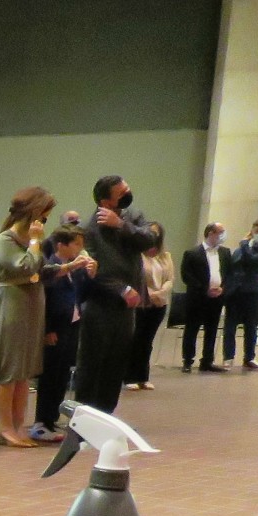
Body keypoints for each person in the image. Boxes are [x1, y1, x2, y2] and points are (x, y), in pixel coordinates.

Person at [73, 174, 157, 414]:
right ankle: (85, 417)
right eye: (121, 194)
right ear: (105, 201)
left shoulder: (132, 217)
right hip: (100, 306)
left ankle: (106, 415)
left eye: (127, 189)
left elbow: (150, 240)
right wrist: (121, 288)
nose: (128, 195)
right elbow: (93, 267)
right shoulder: (89, 230)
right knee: (92, 364)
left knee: (117, 364)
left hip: (126, 309)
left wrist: (121, 225)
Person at [0, 186, 54, 448]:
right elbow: (26, 265)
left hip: (31, 310)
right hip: (10, 309)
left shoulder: (32, 240)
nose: (45, 220)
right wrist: (36, 241)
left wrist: (70, 266)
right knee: (9, 372)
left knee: (24, 373)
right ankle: (5, 427)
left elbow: (40, 268)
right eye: (43, 214)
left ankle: (19, 425)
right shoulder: (5, 240)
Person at [34, 227, 95, 442]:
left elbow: (83, 294)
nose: (80, 249)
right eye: (76, 244)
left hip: (72, 325)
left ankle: (52, 417)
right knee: (50, 375)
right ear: (62, 245)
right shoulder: (51, 267)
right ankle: (41, 421)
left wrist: (90, 274)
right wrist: (47, 329)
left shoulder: (75, 269)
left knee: (62, 375)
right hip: (56, 327)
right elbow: (45, 300)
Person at [179, 223, 232, 374]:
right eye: (220, 232)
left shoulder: (225, 253)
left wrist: (223, 288)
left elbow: (229, 274)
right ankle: (188, 360)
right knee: (192, 329)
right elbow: (186, 275)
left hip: (217, 297)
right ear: (210, 233)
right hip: (197, 298)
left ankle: (207, 361)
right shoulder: (192, 253)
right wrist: (205, 289)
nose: (223, 235)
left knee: (212, 329)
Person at [225, 217, 258, 369]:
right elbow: (233, 264)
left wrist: (243, 244)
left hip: (253, 291)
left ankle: (249, 357)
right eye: (257, 231)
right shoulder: (243, 247)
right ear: (252, 231)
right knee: (230, 325)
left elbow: (255, 261)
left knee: (251, 325)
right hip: (235, 291)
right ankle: (228, 357)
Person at [127, 221, 173, 392]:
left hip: (159, 303)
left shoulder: (165, 255)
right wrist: (147, 294)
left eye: (156, 234)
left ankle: (143, 377)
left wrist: (159, 293)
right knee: (135, 340)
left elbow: (170, 279)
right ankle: (129, 377)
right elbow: (134, 278)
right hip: (140, 303)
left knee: (147, 341)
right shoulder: (137, 255)